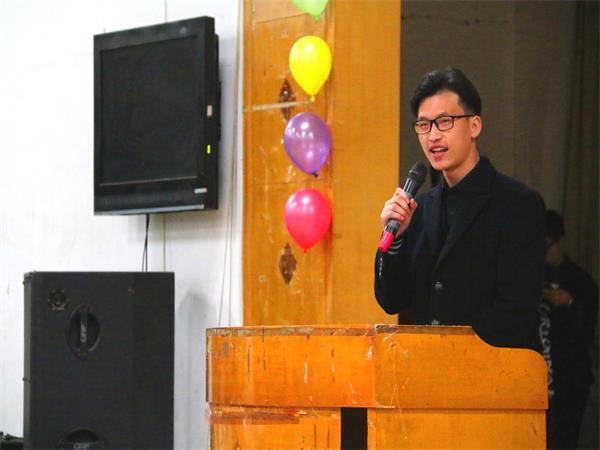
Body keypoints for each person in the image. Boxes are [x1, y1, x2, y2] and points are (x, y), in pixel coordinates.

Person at [374, 68, 546, 348]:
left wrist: (454, 352)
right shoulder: (420, 208)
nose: (433, 136)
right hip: (427, 366)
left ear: (474, 126)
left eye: (444, 122)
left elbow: (517, 307)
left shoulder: (517, 203)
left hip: (492, 367)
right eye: (424, 125)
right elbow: (391, 300)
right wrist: (396, 240)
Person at [542, 209, 598, 450]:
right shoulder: (530, 276)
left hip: (570, 379)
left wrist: (570, 302)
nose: (543, 254)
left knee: (565, 439)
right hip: (539, 375)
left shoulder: (581, 281)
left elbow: (587, 331)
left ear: (560, 241)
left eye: (547, 246)